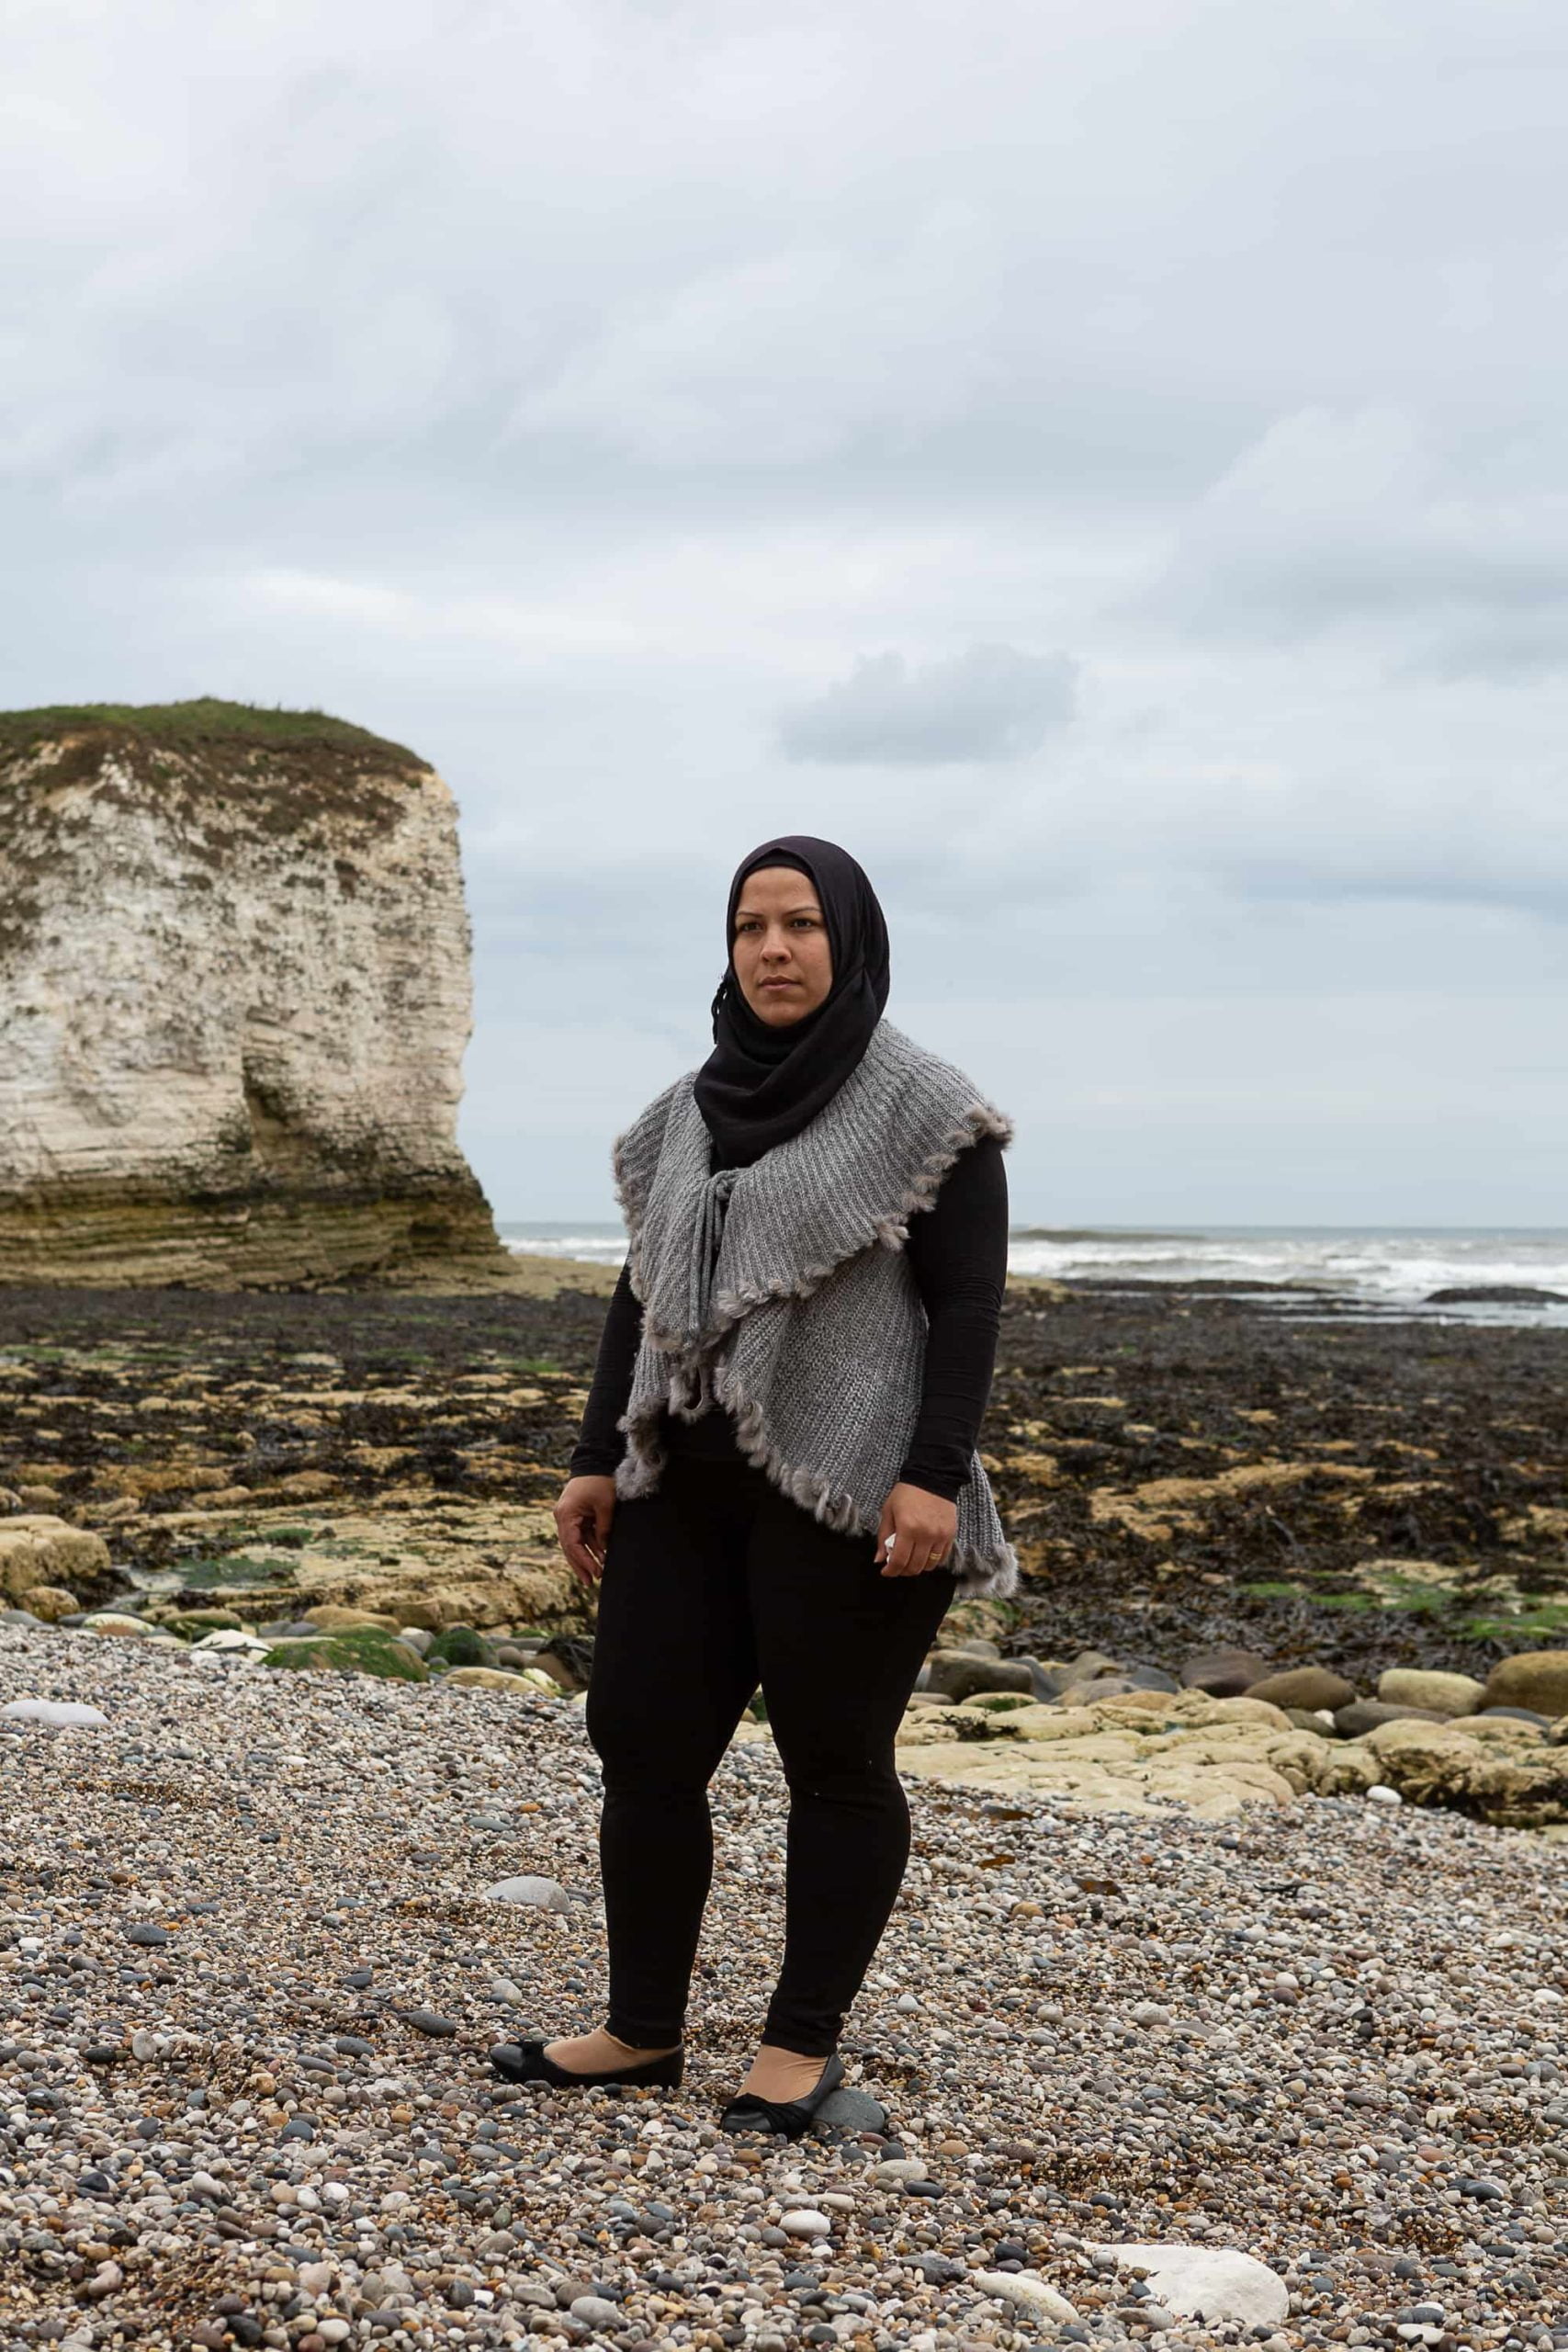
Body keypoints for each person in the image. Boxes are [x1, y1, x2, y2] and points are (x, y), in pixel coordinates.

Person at [490, 834, 1015, 2136]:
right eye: (748, 928)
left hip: (844, 1486)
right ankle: (641, 2029)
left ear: (850, 940)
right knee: (643, 1748)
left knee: (835, 1762)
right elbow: (641, 1294)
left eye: (799, 925)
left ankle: (798, 2048)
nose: (773, 950)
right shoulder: (688, 1111)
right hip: (682, 1478)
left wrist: (931, 1479)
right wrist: (595, 1455)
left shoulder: (925, 1110)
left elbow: (967, 1310)